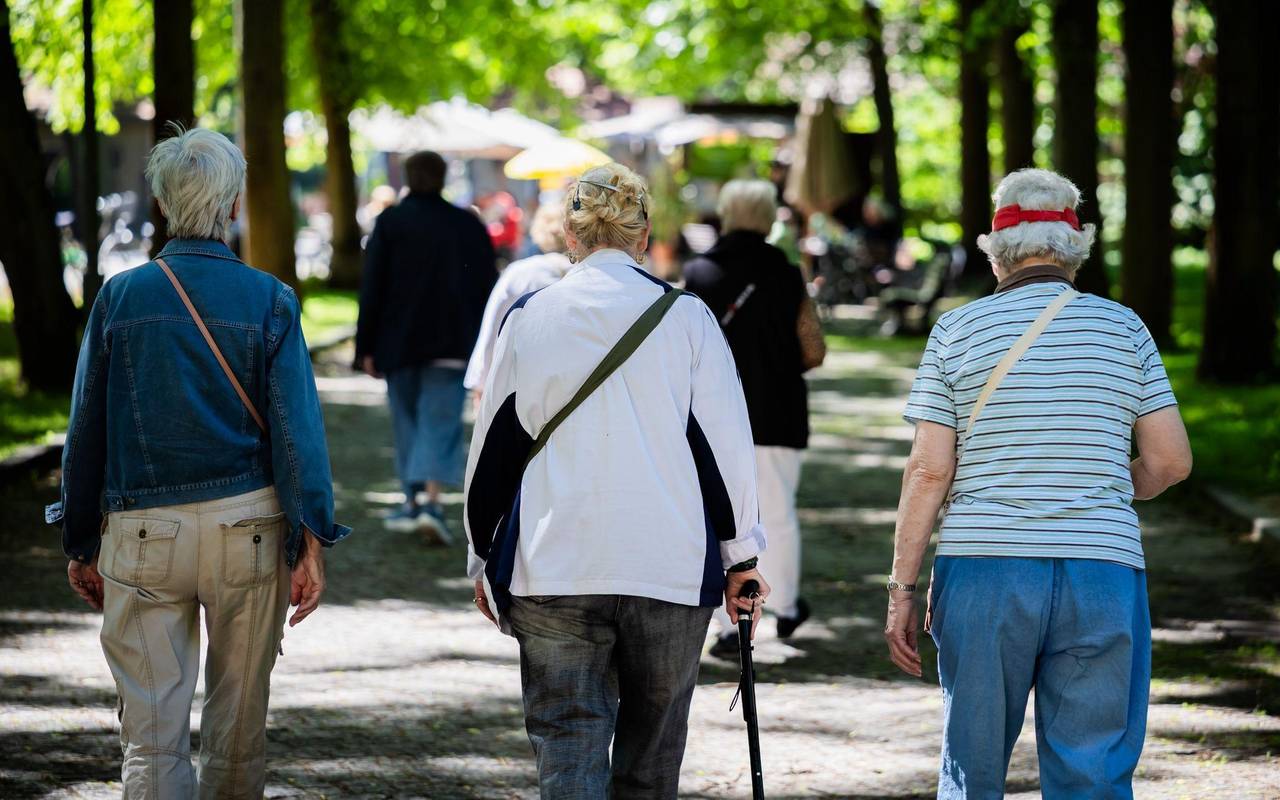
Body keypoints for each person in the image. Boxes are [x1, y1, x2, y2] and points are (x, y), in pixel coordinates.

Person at [47, 126, 349, 798]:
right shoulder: (270, 300)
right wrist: (312, 536)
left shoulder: (120, 299)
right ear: (234, 205)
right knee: (238, 729)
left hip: (145, 531)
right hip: (250, 528)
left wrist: (78, 540)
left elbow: (86, 430)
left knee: (152, 741)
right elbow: (297, 434)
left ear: (161, 204)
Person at [464, 163, 770, 798]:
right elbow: (727, 448)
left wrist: (481, 551)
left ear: (569, 237)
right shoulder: (687, 318)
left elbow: (492, 447)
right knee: (652, 758)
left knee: (567, 746)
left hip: (554, 563)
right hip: (669, 564)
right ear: (644, 232)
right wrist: (740, 554)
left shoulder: (530, 317)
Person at [884, 168, 1193, 799]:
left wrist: (902, 589)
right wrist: (1102, 484)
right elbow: (1169, 462)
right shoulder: (1125, 329)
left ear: (996, 252)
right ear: (1076, 247)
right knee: (1095, 765)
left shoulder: (957, 331)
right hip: (1101, 566)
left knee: (972, 762)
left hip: (984, 568)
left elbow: (929, 471)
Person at [683, 179, 826, 659]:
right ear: (768, 218)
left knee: (720, 518)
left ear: (725, 213)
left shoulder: (698, 274)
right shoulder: (787, 273)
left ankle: (729, 625)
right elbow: (813, 347)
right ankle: (784, 605)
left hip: (711, 418)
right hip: (778, 408)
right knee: (778, 510)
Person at [356, 150, 497, 540]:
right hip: (453, 342)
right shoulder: (467, 225)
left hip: (398, 342)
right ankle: (432, 502)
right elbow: (487, 286)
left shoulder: (391, 222)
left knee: (406, 422)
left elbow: (372, 289)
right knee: (440, 421)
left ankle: (412, 500)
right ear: (441, 178)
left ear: (408, 177)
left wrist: (364, 346)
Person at [464, 201, 572, 397]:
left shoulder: (519, 274)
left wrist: (481, 385)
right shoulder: (591, 275)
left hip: (521, 387)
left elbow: (491, 334)